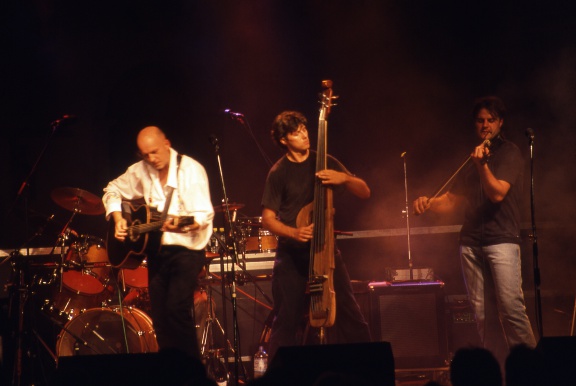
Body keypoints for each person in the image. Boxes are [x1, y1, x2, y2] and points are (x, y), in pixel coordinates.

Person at [413, 96, 537, 364]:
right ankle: (497, 373)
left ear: (500, 123)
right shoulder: (473, 158)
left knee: (511, 309)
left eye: (491, 120)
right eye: (480, 120)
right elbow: (451, 201)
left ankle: (533, 370)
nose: (485, 125)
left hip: (501, 241)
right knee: (483, 315)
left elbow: (497, 193)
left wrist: (481, 165)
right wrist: (428, 203)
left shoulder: (509, 153)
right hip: (470, 243)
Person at [261, 110, 372, 358]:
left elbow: (364, 191)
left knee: (350, 313)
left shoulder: (324, 160)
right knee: (286, 321)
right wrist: (294, 232)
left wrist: (343, 177)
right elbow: (268, 219)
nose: (304, 135)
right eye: (296, 132)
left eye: (304, 129)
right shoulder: (278, 172)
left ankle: (372, 366)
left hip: (326, 250)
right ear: (283, 140)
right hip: (292, 255)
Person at [103, 126, 214, 361]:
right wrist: (118, 217)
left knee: (176, 310)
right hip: (157, 252)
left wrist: (182, 223)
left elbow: (205, 215)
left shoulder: (190, 170)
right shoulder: (141, 171)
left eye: (155, 152)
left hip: (187, 250)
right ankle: (171, 372)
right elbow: (112, 189)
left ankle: (193, 372)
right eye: (146, 155)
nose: (152, 159)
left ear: (167, 143)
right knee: (161, 318)